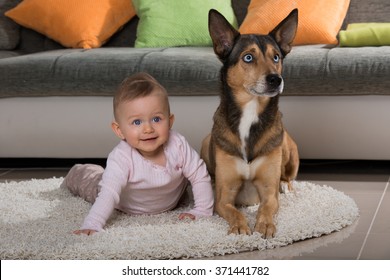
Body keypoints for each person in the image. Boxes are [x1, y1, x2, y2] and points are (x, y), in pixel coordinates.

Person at [61, 72, 214, 235]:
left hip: (169, 198)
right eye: (137, 122)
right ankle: (77, 171)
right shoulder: (121, 157)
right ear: (119, 130)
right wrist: (92, 224)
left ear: (170, 121)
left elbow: (199, 176)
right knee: (90, 180)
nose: (148, 129)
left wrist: (202, 210)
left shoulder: (178, 144)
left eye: (156, 119)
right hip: (121, 200)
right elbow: (109, 194)